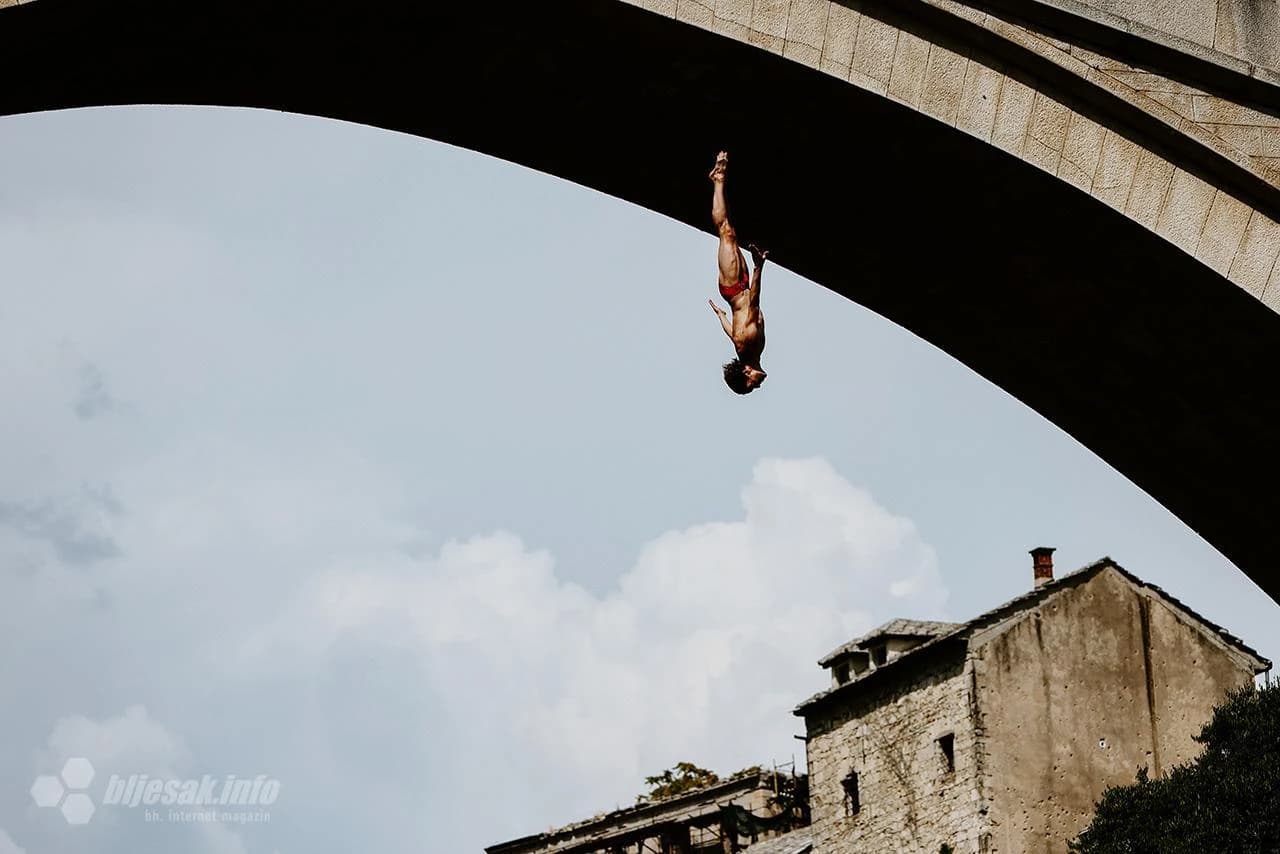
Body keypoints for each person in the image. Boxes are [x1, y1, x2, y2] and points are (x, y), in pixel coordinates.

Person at [706, 151, 768, 394]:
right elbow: (732, 333)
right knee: (731, 230)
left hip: (734, 286)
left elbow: (754, 303)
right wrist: (720, 315)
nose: (758, 384)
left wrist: (758, 268)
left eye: (751, 385)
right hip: (738, 289)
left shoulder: (749, 346)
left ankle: (717, 179)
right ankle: (720, 183)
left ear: (746, 373)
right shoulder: (748, 349)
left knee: (725, 232)